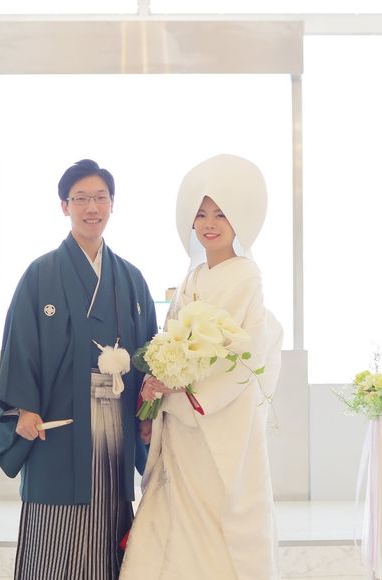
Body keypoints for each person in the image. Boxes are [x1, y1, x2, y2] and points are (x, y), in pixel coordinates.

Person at [120, 154, 284, 580]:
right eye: (201, 214)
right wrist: (157, 383)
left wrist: (178, 386)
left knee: (214, 515)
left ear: (239, 219)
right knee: (173, 513)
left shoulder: (246, 277)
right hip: (181, 424)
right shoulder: (192, 277)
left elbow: (241, 355)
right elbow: (169, 340)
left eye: (221, 214)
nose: (209, 224)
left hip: (217, 420)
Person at [0, 159, 157, 580]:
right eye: (81, 198)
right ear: (64, 206)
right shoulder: (40, 275)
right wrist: (24, 408)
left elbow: (148, 356)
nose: (91, 207)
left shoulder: (131, 279)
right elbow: (20, 346)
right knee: (55, 529)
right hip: (59, 423)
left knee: (108, 518)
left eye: (100, 198)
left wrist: (147, 415)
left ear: (112, 204)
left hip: (115, 425)